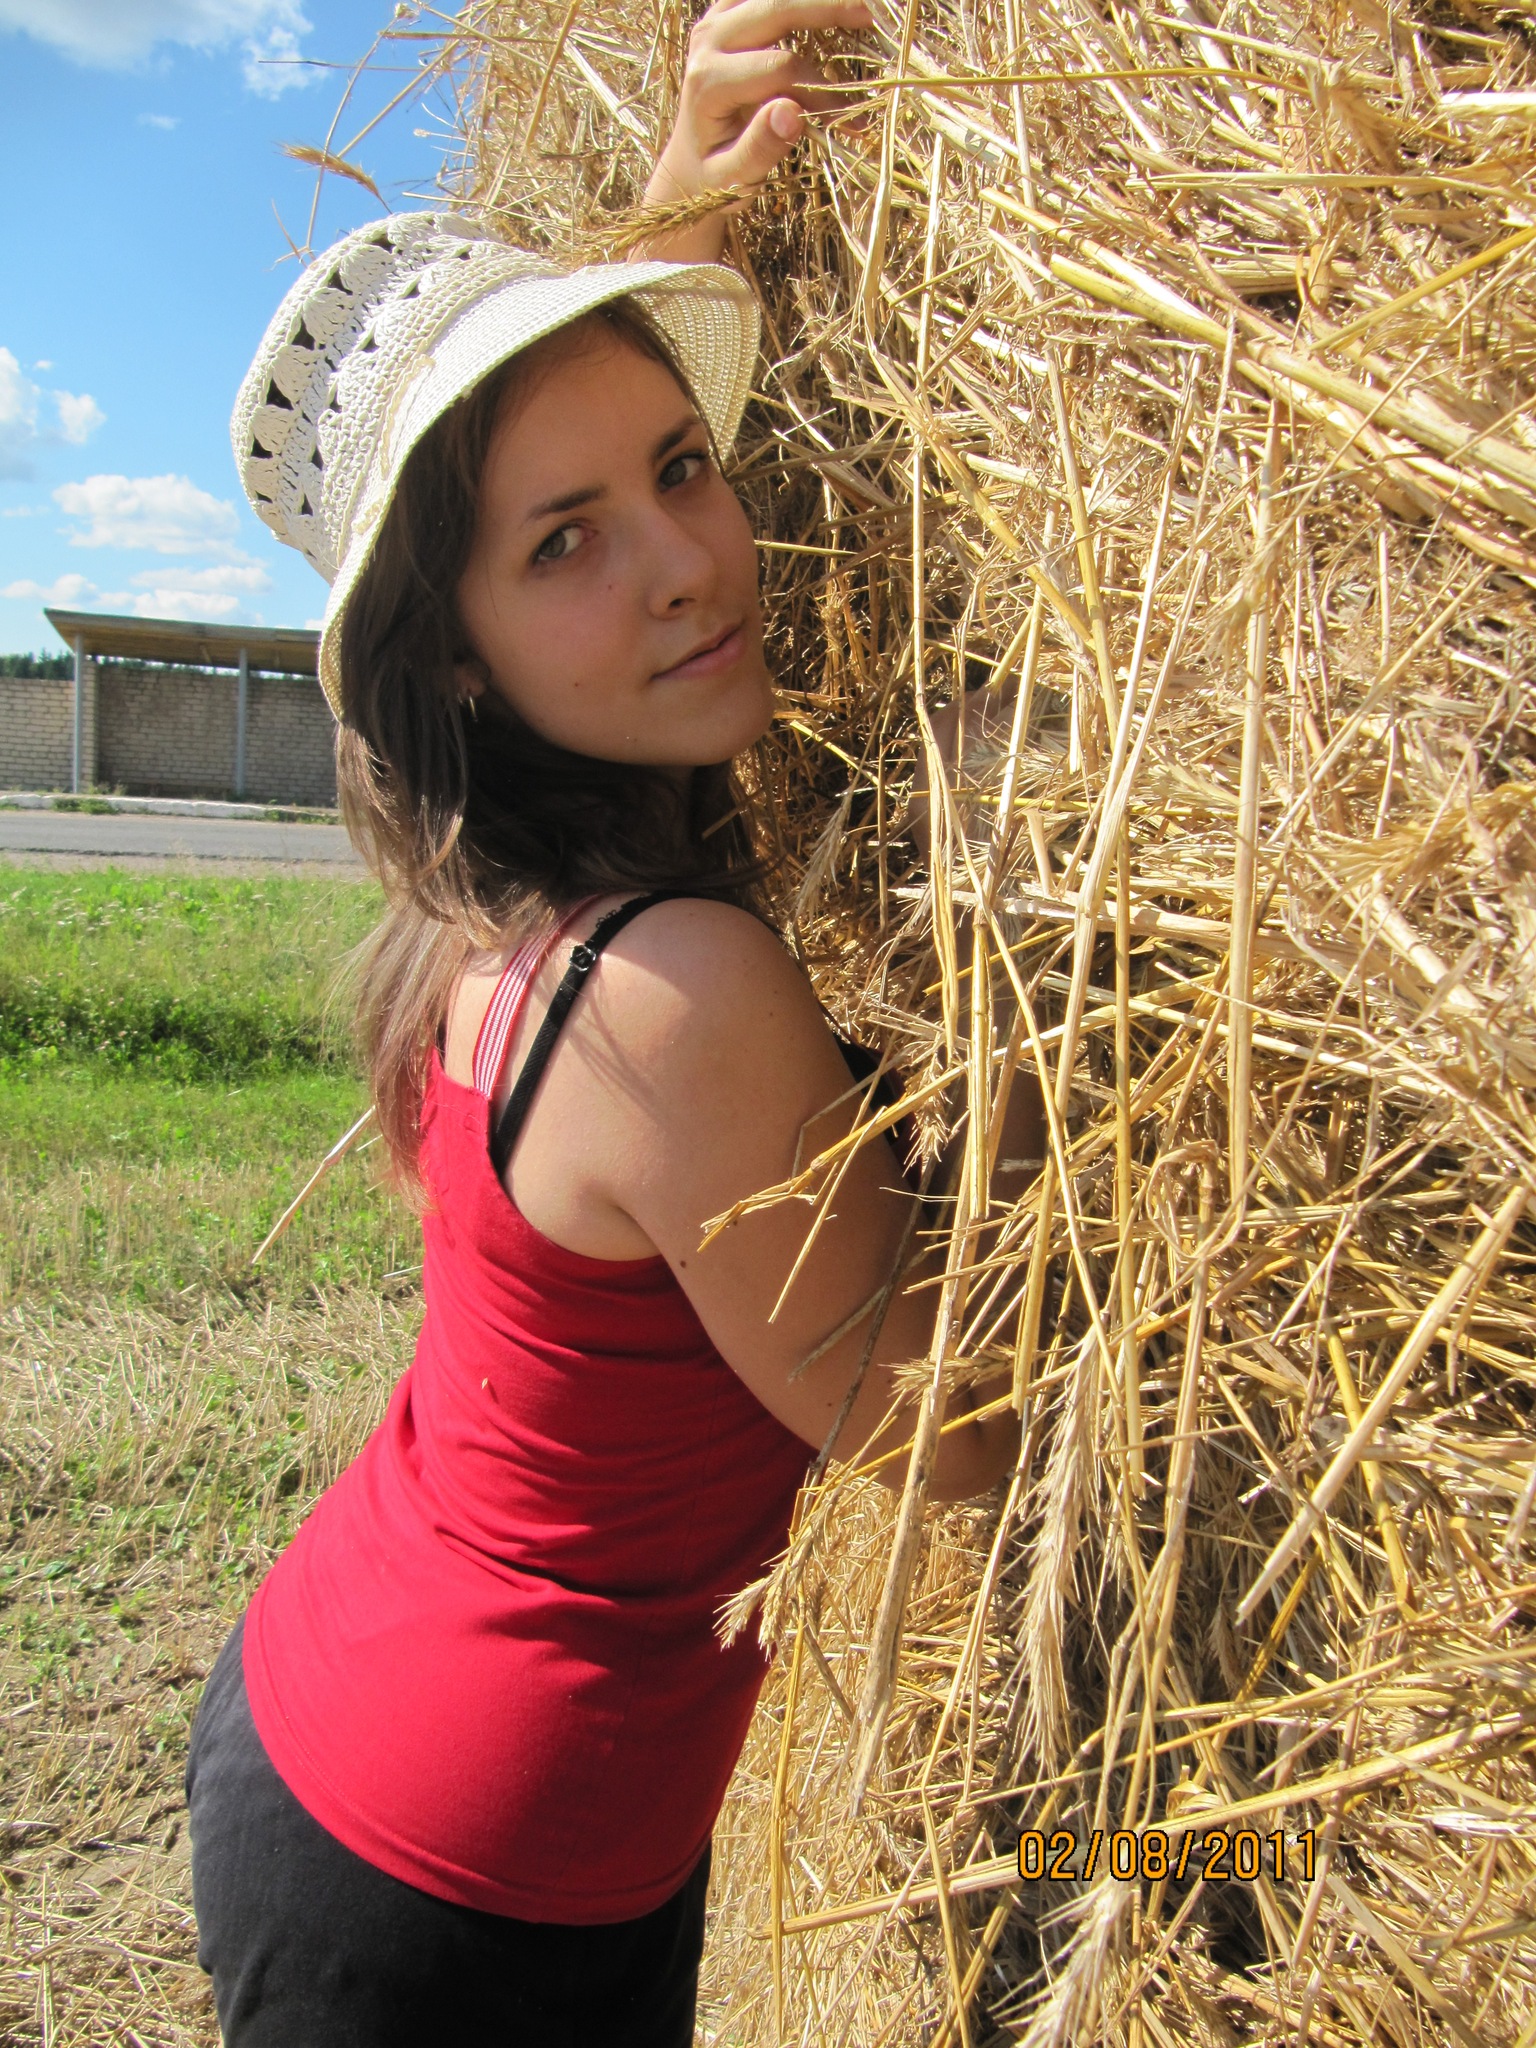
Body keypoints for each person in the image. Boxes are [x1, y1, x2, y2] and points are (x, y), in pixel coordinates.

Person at [184, 3, 1039, 2041]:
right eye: (566, 541)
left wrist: (667, 225)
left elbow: (549, 503)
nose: (688, 565)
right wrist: (1038, 958)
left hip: (342, 1719)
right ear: (456, 659)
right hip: (456, 1888)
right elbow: (964, 1432)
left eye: (683, 466)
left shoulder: (477, 898)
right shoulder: (669, 991)